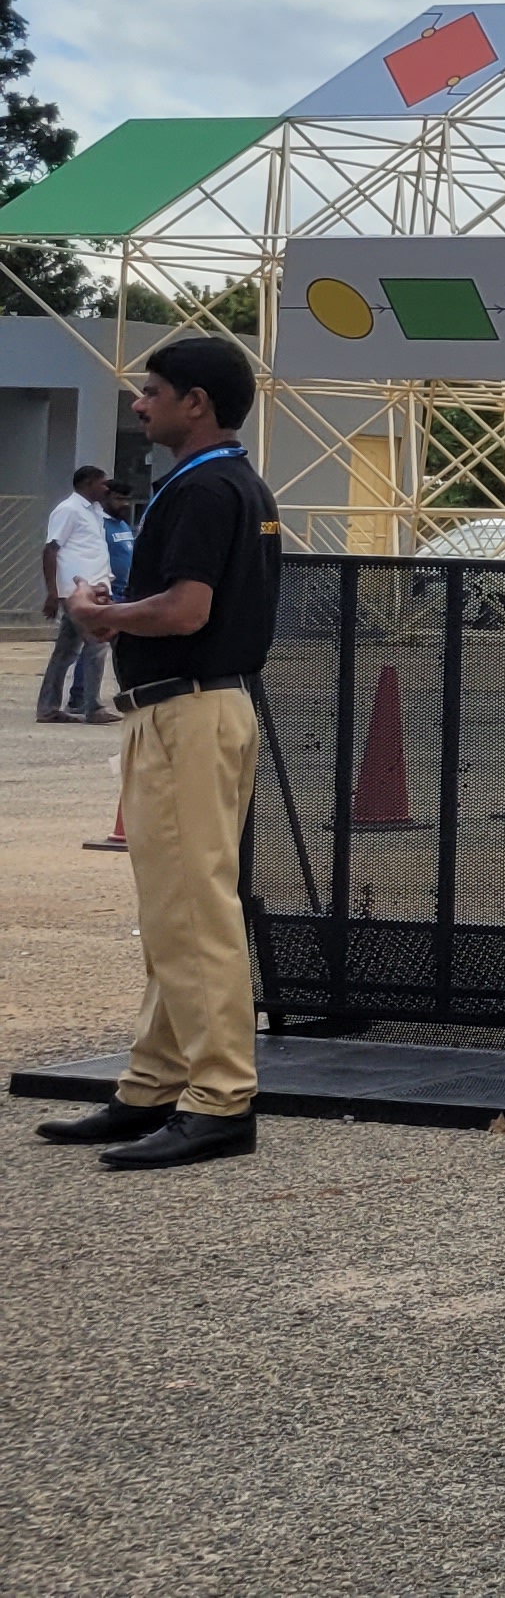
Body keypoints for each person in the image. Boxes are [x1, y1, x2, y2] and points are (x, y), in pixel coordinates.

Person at [33, 338, 281, 1169]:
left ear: (196, 402)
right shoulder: (229, 482)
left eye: (152, 391)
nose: (140, 405)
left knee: (193, 912)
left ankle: (219, 1099)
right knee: (177, 910)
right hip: (197, 709)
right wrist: (126, 607)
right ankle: (153, 1084)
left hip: (187, 711)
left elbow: (186, 611)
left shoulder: (204, 488)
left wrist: (102, 616)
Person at [35, 462, 113, 722]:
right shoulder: (69, 510)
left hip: (93, 589)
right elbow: (51, 549)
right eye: (102, 483)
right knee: (96, 644)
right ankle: (93, 708)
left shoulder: (95, 511)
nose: (106, 488)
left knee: (66, 650)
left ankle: (48, 708)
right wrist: (52, 592)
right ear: (87, 483)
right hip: (76, 591)